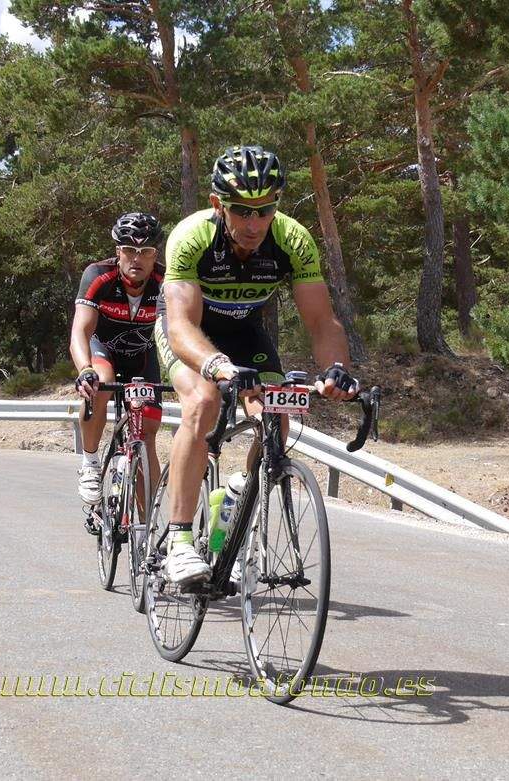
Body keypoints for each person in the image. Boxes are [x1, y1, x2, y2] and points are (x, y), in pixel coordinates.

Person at [155, 145, 361, 584]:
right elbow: (180, 326)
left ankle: (236, 497)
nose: (253, 224)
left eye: (264, 210)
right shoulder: (192, 236)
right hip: (189, 331)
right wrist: (215, 364)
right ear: (217, 205)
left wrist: (335, 371)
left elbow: (322, 322)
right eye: (241, 211)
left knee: (277, 416)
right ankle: (179, 541)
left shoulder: (292, 240)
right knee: (203, 402)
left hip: (246, 328)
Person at [71, 212, 165, 507]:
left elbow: (179, 334)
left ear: (155, 255)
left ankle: (149, 534)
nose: (136, 258)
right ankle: (90, 463)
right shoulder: (98, 276)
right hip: (103, 351)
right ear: (118, 252)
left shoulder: (166, 282)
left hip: (142, 356)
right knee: (101, 381)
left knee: (146, 436)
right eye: (129, 250)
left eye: (145, 251)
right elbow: (81, 331)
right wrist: (84, 369)